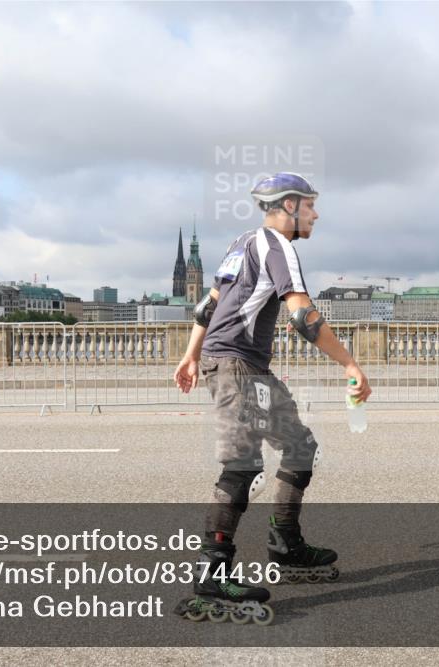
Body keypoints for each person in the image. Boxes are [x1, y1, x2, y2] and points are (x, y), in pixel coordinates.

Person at [171, 172, 372, 625]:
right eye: (311, 205)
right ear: (289, 206)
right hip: (235, 368)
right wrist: (350, 365)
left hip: (246, 368)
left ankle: (286, 542)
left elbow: (208, 306)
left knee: (300, 447)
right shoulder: (278, 247)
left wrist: (189, 355)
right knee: (241, 466)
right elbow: (302, 315)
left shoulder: (242, 243)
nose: (316, 213)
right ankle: (212, 574)